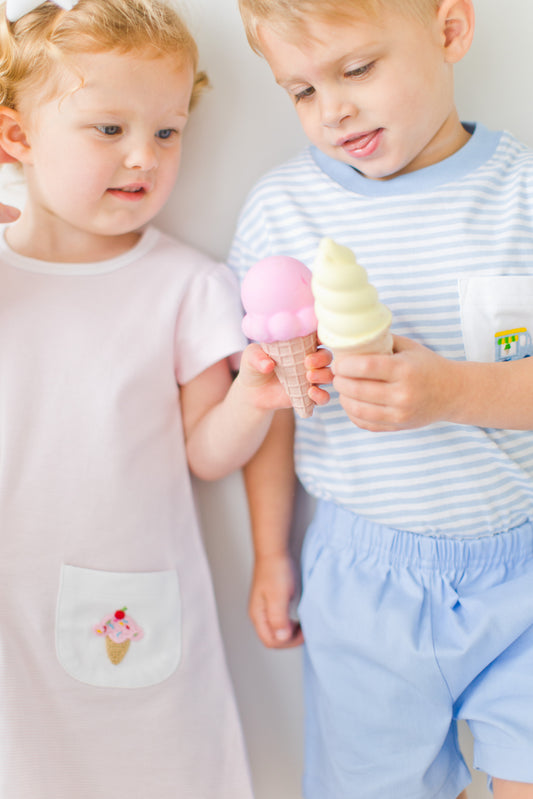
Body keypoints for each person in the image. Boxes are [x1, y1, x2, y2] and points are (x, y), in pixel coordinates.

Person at [229, 1, 533, 798]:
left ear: (449, 30)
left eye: (357, 69)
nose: (333, 110)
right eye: (299, 91)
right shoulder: (282, 211)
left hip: (523, 558)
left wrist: (452, 390)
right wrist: (269, 551)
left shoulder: (521, 194)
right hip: (366, 579)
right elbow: (267, 402)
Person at [0, 0, 297, 795]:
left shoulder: (185, 286)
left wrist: (254, 397)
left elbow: (207, 452)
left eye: (167, 131)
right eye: (109, 129)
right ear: (17, 138)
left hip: (118, 603)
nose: (144, 157)